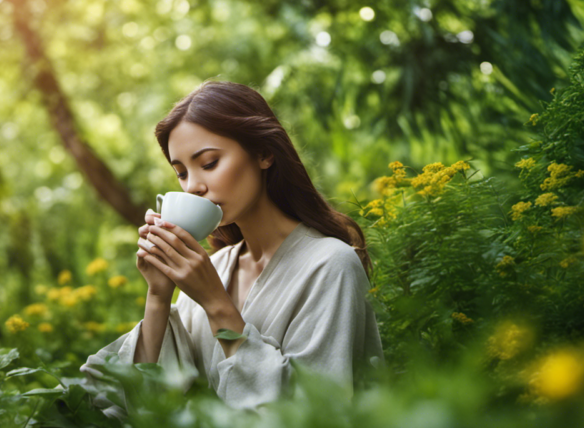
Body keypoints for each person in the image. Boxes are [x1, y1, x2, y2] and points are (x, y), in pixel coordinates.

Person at [79, 80, 384, 421]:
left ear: (264, 153)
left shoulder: (329, 265)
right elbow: (146, 404)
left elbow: (317, 413)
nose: (193, 185)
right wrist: (159, 295)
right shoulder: (214, 267)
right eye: (181, 173)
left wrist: (216, 304)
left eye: (208, 163)